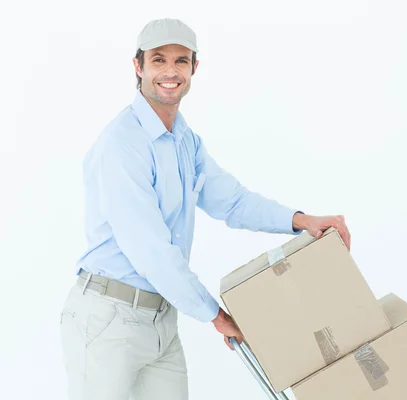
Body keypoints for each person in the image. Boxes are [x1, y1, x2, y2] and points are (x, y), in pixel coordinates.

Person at [59, 18, 351, 400]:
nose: (170, 71)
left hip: (162, 317)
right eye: (158, 60)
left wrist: (301, 221)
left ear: (194, 68)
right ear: (138, 67)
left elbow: (231, 200)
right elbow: (150, 250)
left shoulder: (184, 139)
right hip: (108, 320)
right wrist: (215, 315)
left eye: (181, 61)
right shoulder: (122, 145)